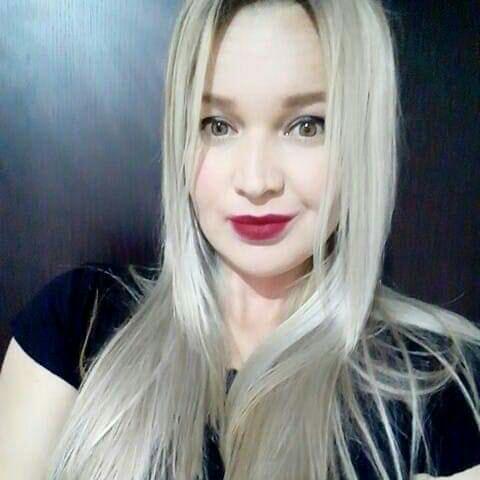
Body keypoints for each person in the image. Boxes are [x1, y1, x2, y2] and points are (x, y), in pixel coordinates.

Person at [1, 1, 479, 479]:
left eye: (307, 126)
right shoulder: (74, 327)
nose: (255, 181)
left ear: (361, 139)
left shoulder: (446, 390)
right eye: (218, 125)